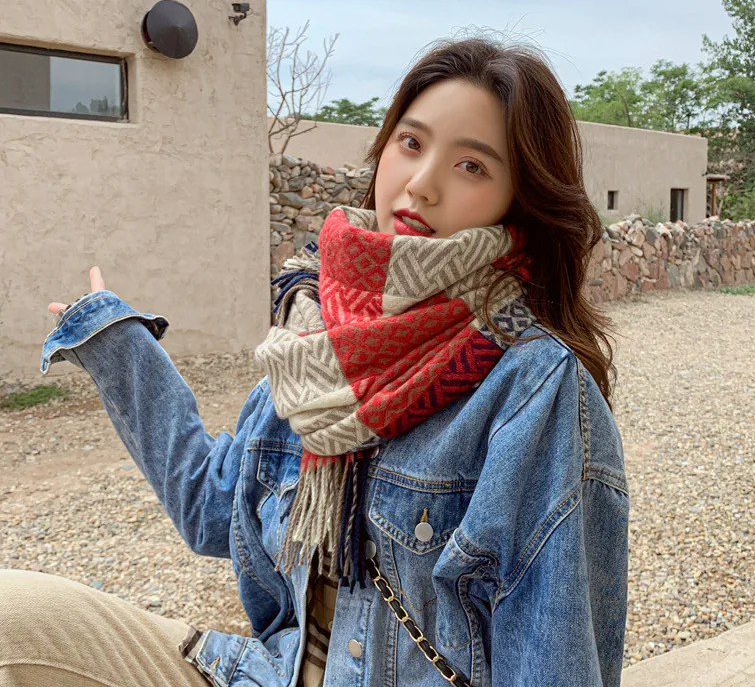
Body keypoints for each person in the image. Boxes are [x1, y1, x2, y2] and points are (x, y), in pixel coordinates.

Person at [2, 36, 628, 687]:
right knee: (11, 618)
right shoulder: (316, 340)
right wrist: (118, 346)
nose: (422, 183)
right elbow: (213, 508)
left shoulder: (533, 389)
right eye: (411, 143)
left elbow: (553, 666)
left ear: (519, 197)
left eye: (471, 166)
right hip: (272, 676)